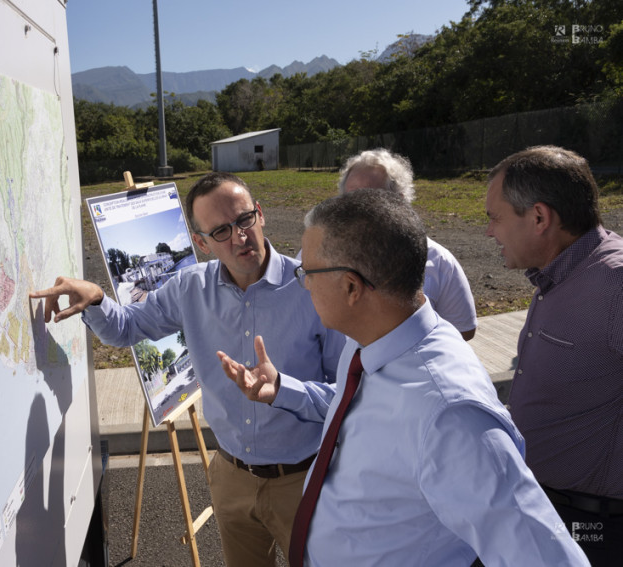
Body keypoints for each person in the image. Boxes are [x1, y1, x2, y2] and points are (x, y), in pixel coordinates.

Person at [218, 188, 589, 566]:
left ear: (351, 287)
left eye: (308, 272)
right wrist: (282, 389)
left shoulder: (450, 415)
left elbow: (547, 556)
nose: (305, 284)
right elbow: (356, 409)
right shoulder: (374, 338)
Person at [30, 172, 344, 566]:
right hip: (231, 476)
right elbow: (126, 328)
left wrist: (284, 389)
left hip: (303, 481)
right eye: (221, 231)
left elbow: (346, 396)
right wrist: (95, 301)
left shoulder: (310, 289)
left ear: (260, 215)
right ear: (201, 243)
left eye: (245, 220)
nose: (239, 238)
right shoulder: (189, 288)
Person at [485, 145, 623, 565]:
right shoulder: (559, 273)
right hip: (547, 507)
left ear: (540, 218)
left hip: (593, 528)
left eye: (495, 218)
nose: (490, 233)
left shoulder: (614, 285)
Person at [337, 148, 477, 340]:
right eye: (351, 198)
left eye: (372, 197)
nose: (360, 207)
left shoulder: (437, 260)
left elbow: (464, 330)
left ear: (400, 201)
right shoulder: (317, 256)